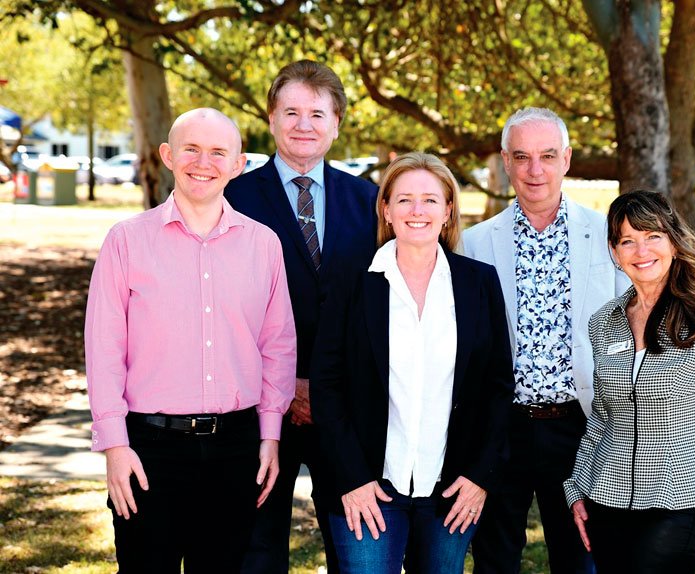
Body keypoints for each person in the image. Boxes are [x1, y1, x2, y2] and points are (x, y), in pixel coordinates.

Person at [84, 108, 297, 573]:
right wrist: (115, 446)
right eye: (192, 149)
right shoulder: (125, 241)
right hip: (148, 447)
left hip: (236, 448)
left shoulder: (264, 245)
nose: (204, 162)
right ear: (167, 156)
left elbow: (277, 346)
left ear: (239, 164)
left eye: (219, 152)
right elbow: (103, 352)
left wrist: (270, 435)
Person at [310, 152, 515, 573]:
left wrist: (480, 477)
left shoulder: (478, 283)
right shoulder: (353, 282)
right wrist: (352, 478)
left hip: (450, 490)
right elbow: (327, 386)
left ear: (448, 210)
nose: (416, 210)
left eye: (429, 199)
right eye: (403, 200)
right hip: (367, 488)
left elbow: (498, 387)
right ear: (385, 209)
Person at [566, 190, 695, 573]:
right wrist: (578, 486)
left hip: (679, 499)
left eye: (652, 236)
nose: (640, 250)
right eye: (626, 240)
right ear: (615, 252)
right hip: (605, 497)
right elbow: (601, 417)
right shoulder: (604, 321)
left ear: (674, 243)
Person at [225, 60, 378, 573]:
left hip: (348, 407)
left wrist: (324, 384)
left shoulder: (371, 202)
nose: (303, 124)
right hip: (258, 405)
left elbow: (377, 308)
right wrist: (287, 382)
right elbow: (222, 306)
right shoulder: (233, 198)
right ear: (270, 119)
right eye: (291, 111)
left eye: (317, 113)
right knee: (256, 550)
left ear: (337, 123)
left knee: (355, 548)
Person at [462, 107, 629, 574]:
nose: (535, 170)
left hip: (583, 424)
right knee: (495, 558)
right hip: (502, 426)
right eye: (522, 156)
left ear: (567, 159)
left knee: (580, 558)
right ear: (505, 161)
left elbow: (631, 331)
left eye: (547, 156)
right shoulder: (474, 243)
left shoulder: (608, 236)